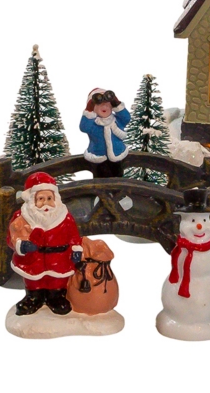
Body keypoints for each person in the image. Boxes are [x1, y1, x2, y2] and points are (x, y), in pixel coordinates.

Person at [8, 171, 83, 315]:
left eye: (49, 198)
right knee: (33, 281)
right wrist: (21, 245)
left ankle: (56, 297)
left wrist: (76, 250)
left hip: (59, 259)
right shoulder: (21, 217)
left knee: (57, 280)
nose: (45, 203)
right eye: (41, 199)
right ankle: (33, 297)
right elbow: (10, 238)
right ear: (32, 200)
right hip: (33, 259)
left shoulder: (65, 217)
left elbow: (74, 237)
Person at [79, 88, 131, 178]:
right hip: (98, 157)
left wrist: (116, 103)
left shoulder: (117, 121)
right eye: (99, 104)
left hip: (117, 155)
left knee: (118, 177)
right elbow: (84, 127)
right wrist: (89, 110)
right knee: (100, 180)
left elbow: (126, 118)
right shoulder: (93, 123)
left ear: (112, 107)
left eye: (107, 104)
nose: (104, 107)